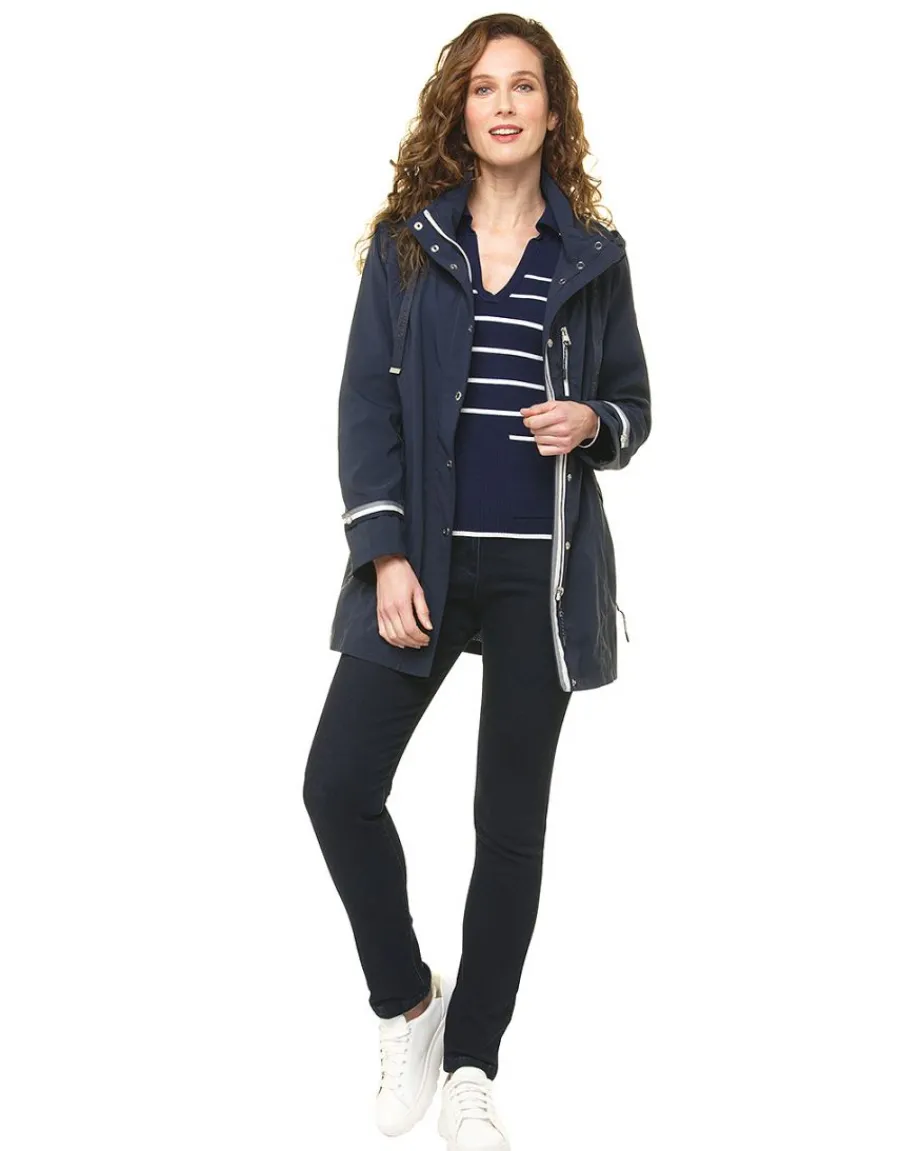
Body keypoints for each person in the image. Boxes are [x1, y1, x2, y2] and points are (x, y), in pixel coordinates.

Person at [303, 14, 651, 1150]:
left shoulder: (592, 256)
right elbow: (365, 406)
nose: (504, 104)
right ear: (459, 109)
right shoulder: (409, 246)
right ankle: (410, 1001)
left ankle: (473, 1063)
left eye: (525, 86)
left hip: (541, 576)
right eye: (484, 86)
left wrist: (592, 420)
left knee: (509, 827)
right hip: (427, 562)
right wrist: (386, 552)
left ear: (554, 111)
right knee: (337, 784)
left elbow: (634, 407)